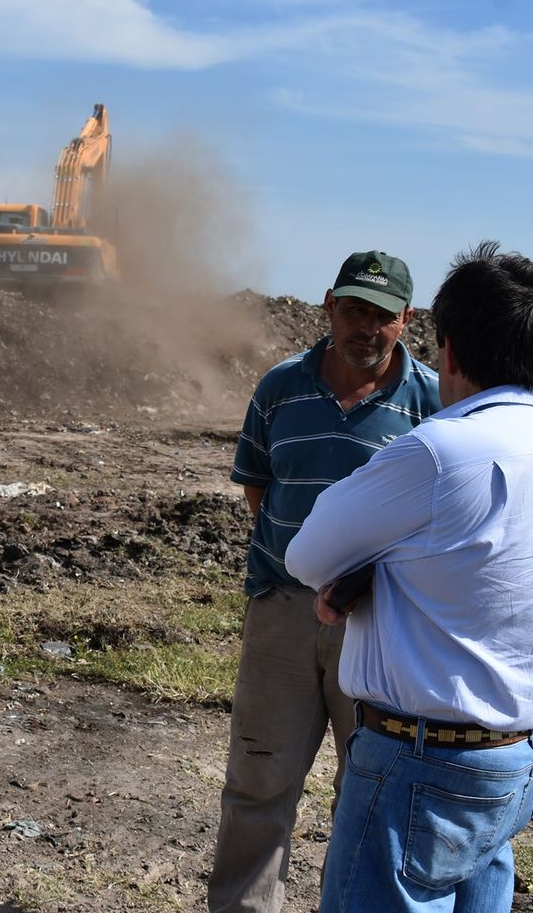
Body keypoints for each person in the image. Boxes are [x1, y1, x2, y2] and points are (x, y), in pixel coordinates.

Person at [285, 242, 533, 913]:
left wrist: (360, 576)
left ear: (447, 351)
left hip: (421, 763)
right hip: (516, 757)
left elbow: (308, 554)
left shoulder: (437, 452)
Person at [208, 250, 441, 913]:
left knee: (368, 788)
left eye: (381, 315)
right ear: (328, 307)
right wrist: (301, 563)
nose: (365, 326)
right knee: (259, 780)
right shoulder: (281, 387)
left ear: (406, 319)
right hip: (282, 612)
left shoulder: (428, 401)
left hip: (379, 625)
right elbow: (258, 484)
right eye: (353, 309)